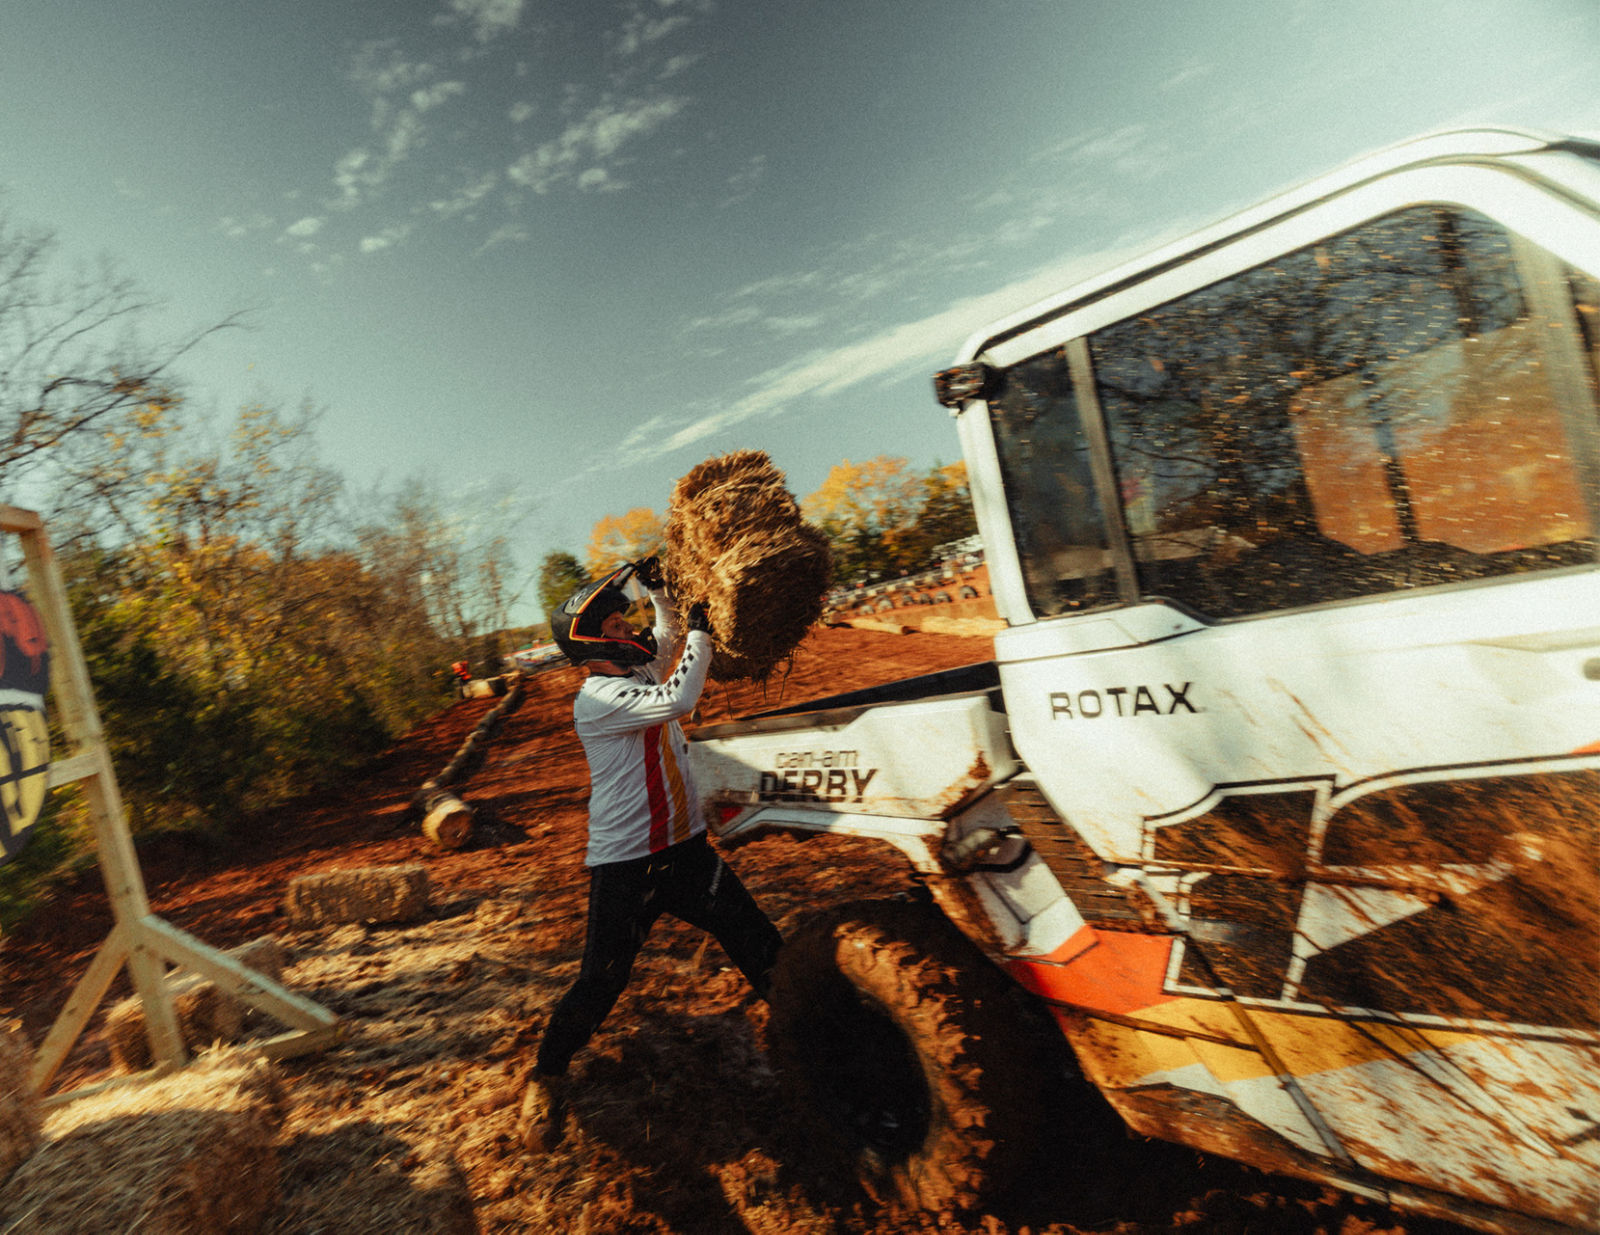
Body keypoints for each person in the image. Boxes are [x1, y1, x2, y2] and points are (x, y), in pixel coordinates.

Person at [519, 556, 784, 1153]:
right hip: (627, 866)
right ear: (591, 644)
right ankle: (547, 1075)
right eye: (615, 628)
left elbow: (664, 650)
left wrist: (661, 593)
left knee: (757, 940)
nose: (629, 631)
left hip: (686, 851)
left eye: (624, 621)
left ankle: (815, 1034)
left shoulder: (630, 678)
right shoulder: (598, 698)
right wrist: (701, 627)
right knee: (601, 982)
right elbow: (682, 695)